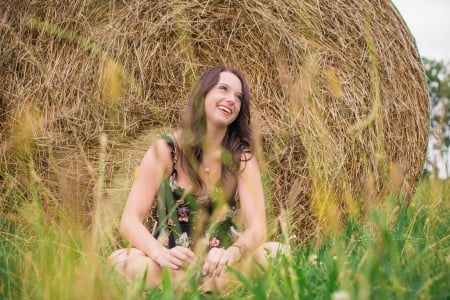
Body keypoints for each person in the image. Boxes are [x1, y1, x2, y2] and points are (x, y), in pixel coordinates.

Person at [108, 65, 284, 292]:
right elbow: (130, 219)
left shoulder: (242, 157)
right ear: (203, 94)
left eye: (238, 97)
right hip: (170, 264)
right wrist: (159, 253)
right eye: (223, 89)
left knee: (279, 252)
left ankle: (200, 285)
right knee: (118, 260)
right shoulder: (166, 149)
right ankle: (208, 288)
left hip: (221, 265)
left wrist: (233, 252)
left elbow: (257, 226)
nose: (231, 100)